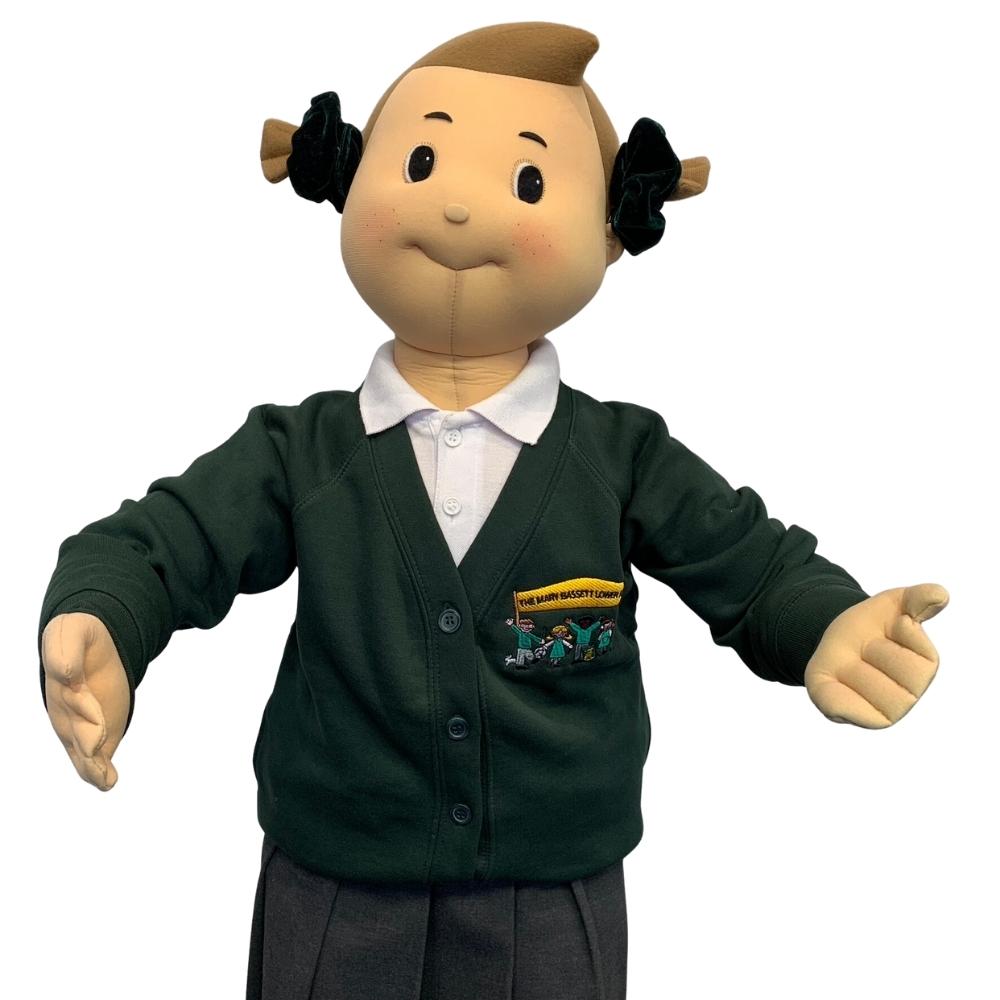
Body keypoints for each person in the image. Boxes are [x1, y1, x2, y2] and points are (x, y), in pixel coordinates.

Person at [38, 21, 949, 1000]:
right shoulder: (301, 452)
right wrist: (104, 618)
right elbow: (164, 540)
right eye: (421, 162)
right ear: (345, 180)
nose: (460, 206)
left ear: (612, 229)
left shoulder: (621, 456)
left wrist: (823, 618)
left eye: (527, 180)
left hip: (552, 890)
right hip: (336, 878)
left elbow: (750, 562)